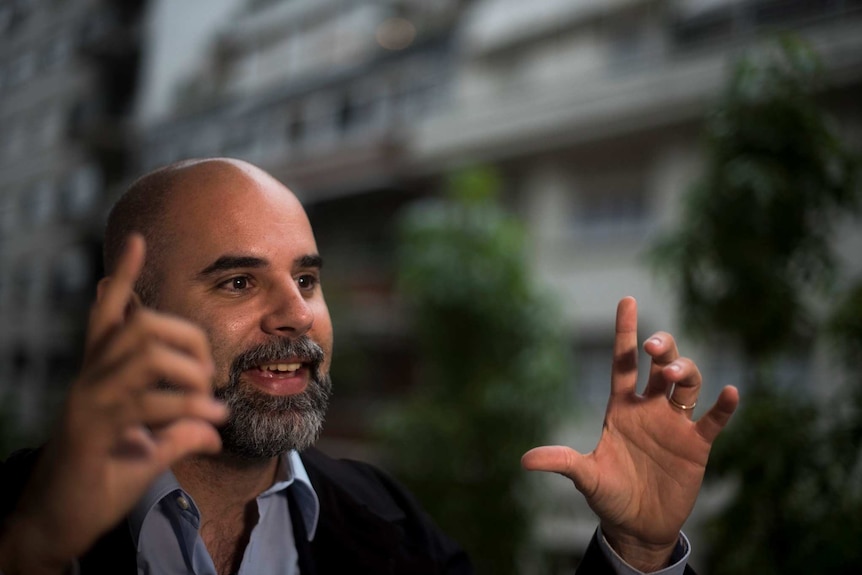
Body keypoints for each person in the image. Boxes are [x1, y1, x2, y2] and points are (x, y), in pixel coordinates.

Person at [0, 158, 739, 575]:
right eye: (238, 281)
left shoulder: (387, 523)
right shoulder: (21, 517)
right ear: (129, 312)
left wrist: (639, 554)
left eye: (309, 280)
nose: (298, 314)